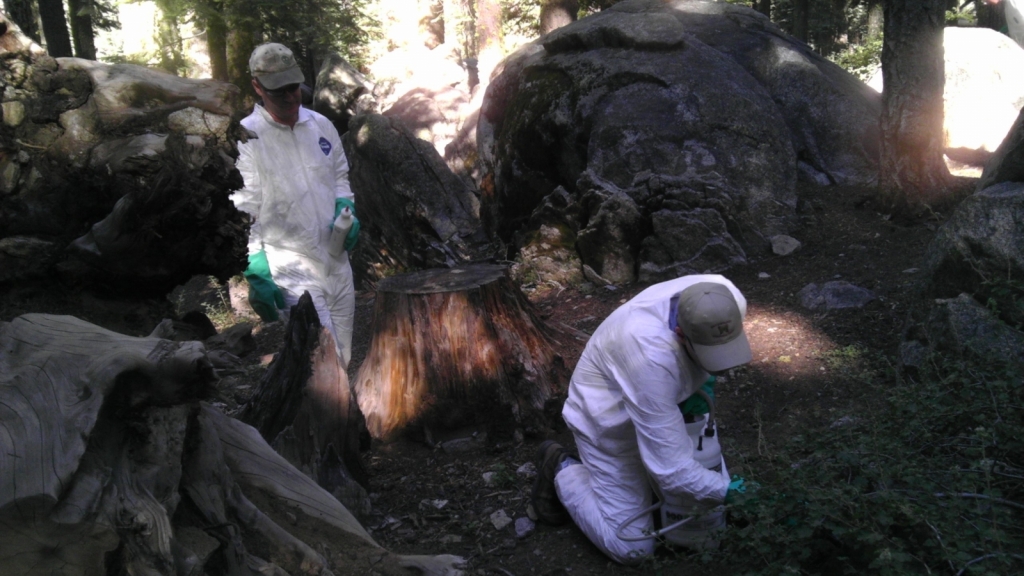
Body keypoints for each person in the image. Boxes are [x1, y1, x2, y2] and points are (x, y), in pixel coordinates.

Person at [531, 274, 752, 564]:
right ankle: (562, 468)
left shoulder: (725, 295)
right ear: (680, 333)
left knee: (701, 492)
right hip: (608, 422)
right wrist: (730, 493)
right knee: (633, 549)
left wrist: (694, 386)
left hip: (660, 402)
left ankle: (649, 478)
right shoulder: (648, 355)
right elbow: (673, 472)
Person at [232, 42, 360, 366]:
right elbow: (244, 208)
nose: (290, 98)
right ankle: (323, 414)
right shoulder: (247, 138)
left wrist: (346, 205)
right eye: (279, 91)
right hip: (290, 266)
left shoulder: (321, 125)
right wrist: (256, 268)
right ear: (257, 87)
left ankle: (344, 414)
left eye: (294, 87)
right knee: (321, 359)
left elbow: (339, 176)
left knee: (344, 355)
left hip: (335, 256)